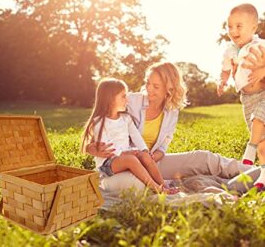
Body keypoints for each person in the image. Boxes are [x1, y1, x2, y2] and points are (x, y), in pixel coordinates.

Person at [86, 62, 253, 194]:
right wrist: (92, 148)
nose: (149, 89)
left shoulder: (171, 111)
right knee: (138, 186)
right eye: (148, 83)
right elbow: (105, 116)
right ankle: (163, 187)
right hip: (127, 165)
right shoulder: (130, 101)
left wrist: (156, 154)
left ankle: (254, 172)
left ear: (169, 89)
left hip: (153, 163)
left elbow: (165, 141)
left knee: (203, 158)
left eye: (156, 86)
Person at [81, 77, 178, 194]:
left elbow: (136, 136)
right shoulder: (99, 122)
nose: (127, 99)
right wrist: (122, 154)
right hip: (107, 163)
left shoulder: (125, 118)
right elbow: (106, 148)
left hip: (124, 156)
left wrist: (144, 150)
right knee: (131, 159)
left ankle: (163, 184)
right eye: (123, 96)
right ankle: (158, 189)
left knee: (145, 156)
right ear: (110, 99)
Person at [217, 3, 265, 189]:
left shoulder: (260, 45)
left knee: (258, 120)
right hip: (247, 99)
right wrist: (222, 81)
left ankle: (249, 149)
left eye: (239, 26)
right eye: (230, 26)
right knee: (263, 143)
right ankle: (262, 175)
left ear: (253, 28)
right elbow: (225, 70)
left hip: (263, 94)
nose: (233, 30)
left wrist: (262, 70)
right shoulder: (230, 51)